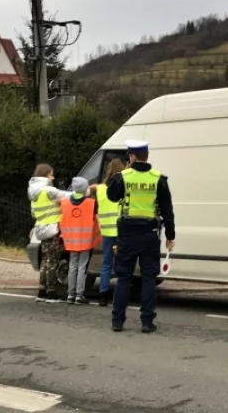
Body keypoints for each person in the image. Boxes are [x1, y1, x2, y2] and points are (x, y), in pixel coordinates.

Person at [107, 140, 175, 333]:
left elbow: (112, 196)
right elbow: (168, 211)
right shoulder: (158, 179)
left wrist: (125, 173)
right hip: (149, 234)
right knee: (148, 278)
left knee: (123, 278)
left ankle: (118, 321)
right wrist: (170, 236)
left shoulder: (123, 177)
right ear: (146, 157)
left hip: (127, 233)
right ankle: (147, 322)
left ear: (132, 157)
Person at [28, 164, 70, 303]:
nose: (53, 177)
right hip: (53, 229)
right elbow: (67, 196)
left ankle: (41, 291)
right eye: (51, 174)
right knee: (53, 261)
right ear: (45, 175)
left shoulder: (34, 193)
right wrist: (85, 190)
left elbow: (34, 214)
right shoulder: (48, 191)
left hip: (41, 228)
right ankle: (51, 293)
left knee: (45, 260)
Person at [59, 177, 101, 304]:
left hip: (71, 240)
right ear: (85, 189)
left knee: (72, 267)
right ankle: (79, 295)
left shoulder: (65, 202)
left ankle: (70, 295)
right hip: (85, 241)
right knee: (82, 268)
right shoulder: (91, 203)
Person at [96, 158, 125, 307]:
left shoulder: (101, 188)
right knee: (121, 263)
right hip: (120, 231)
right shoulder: (124, 185)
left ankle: (103, 295)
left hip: (106, 230)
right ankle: (120, 294)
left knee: (106, 263)